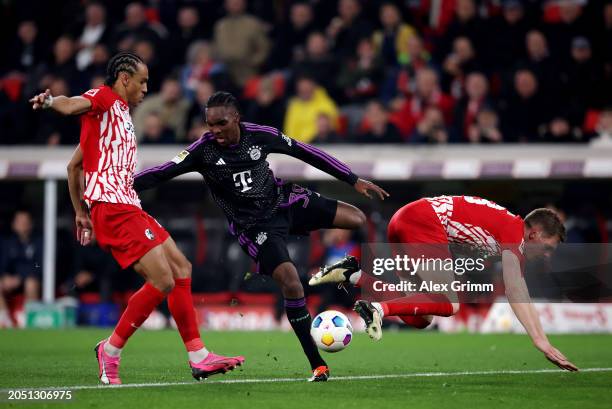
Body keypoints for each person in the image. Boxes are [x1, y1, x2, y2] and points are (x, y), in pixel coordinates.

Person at [133, 91, 389, 381]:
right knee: (292, 283)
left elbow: (306, 151)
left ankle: (344, 269)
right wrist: (118, 190)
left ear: (237, 119)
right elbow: (160, 172)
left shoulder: (260, 136)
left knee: (355, 218)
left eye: (221, 123)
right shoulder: (202, 151)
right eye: (209, 124)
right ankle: (317, 363)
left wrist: (352, 178)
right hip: (254, 227)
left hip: (284, 201)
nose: (214, 130)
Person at [29, 52, 244, 385]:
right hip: (113, 207)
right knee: (162, 280)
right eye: (142, 81)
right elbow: (71, 104)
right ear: (124, 78)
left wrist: (80, 213)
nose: (146, 88)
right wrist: (50, 101)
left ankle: (199, 357)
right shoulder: (103, 98)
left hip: (126, 204)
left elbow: (74, 167)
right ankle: (110, 351)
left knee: (180, 267)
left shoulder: (115, 118)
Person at [310, 195, 578, 372]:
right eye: (548, 248)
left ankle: (353, 275)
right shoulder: (513, 233)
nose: (546, 255)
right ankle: (376, 310)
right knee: (450, 304)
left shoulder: (509, 230)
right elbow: (516, 289)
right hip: (422, 222)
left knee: (422, 317)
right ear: (535, 234)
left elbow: (521, 291)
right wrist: (541, 342)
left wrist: (541, 338)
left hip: (405, 220)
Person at [0, 209, 43, 328]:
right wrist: (5, 277)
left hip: (31, 280)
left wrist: (21, 277)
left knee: (31, 283)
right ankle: (4, 320)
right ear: (13, 224)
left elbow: (39, 266)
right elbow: (3, 265)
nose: (23, 224)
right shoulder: (7, 243)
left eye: (26, 221)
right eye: (20, 221)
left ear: (31, 224)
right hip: (12, 281)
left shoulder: (40, 242)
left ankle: (28, 319)